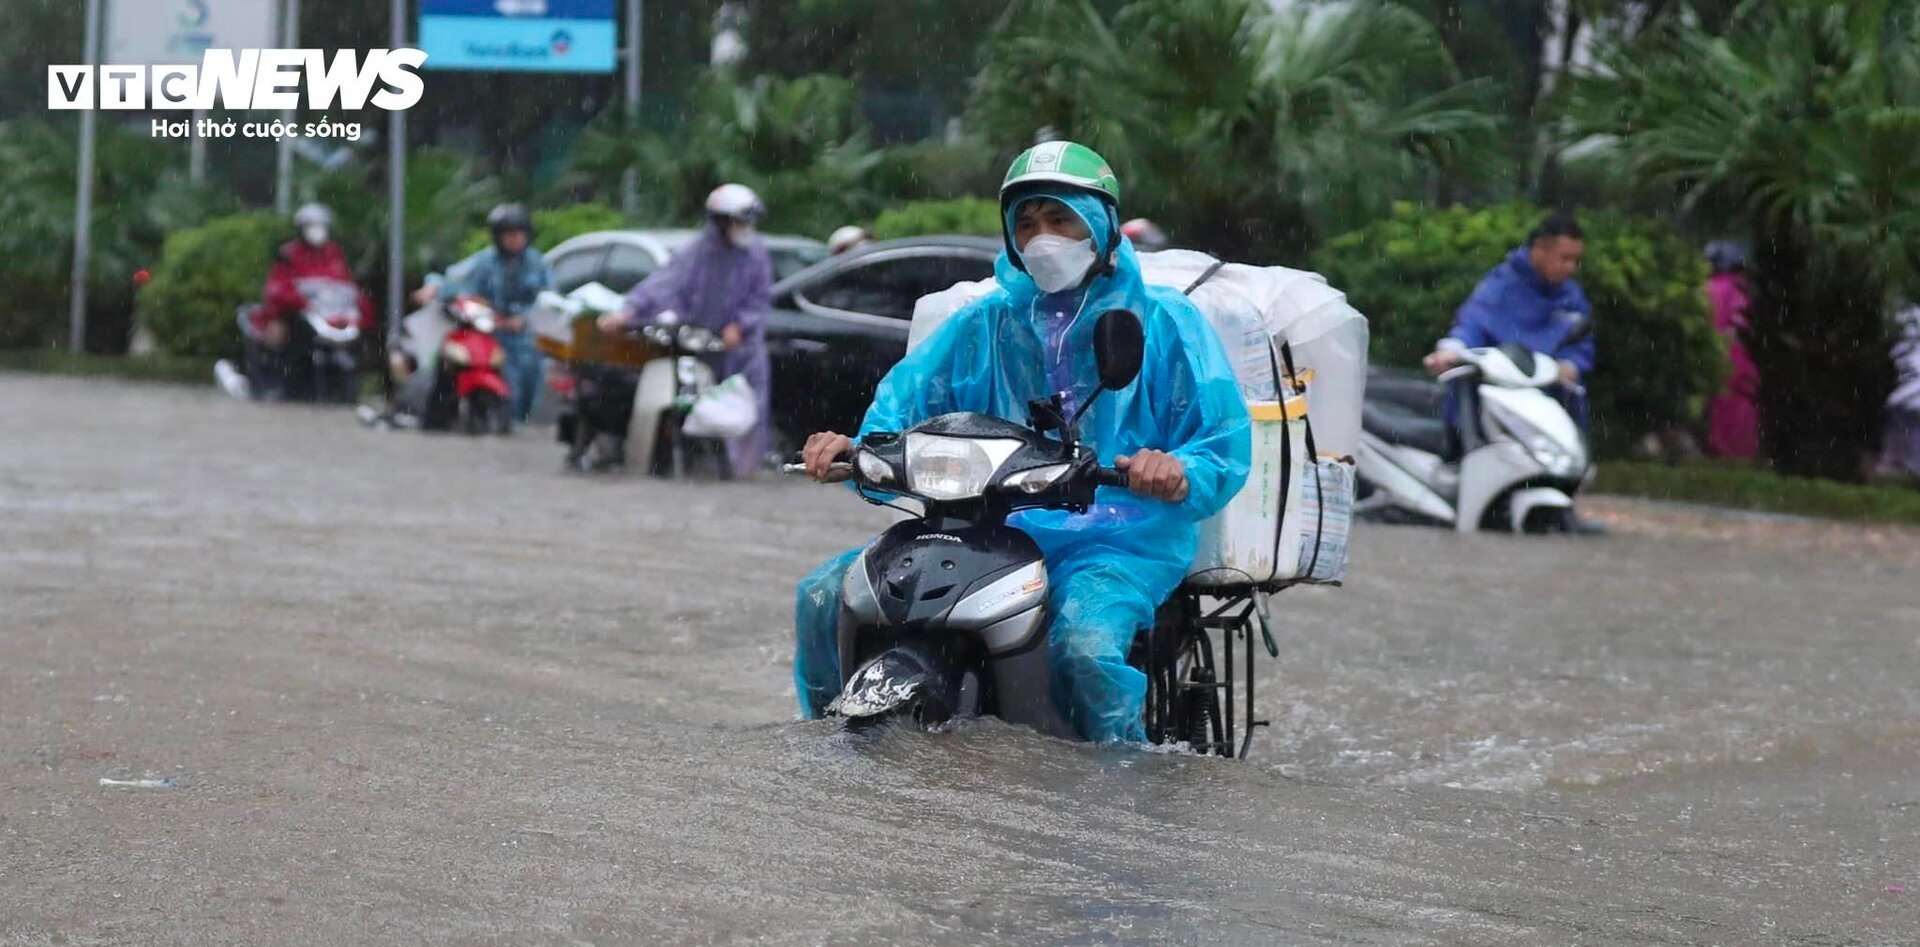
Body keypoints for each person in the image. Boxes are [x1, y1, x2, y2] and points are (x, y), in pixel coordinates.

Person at [791, 141, 1252, 743]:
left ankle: (1120, 783)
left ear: (1102, 226)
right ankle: (826, 747)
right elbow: (898, 419)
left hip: (1118, 539)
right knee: (826, 597)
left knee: (1084, 649)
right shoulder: (983, 323)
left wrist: (1172, 468)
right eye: (1027, 223)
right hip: (986, 530)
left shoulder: (1164, 322)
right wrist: (850, 452)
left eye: (1061, 218)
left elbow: (1221, 442)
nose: (1043, 239)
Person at [596, 183, 776, 480]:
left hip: (744, 350)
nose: (747, 228)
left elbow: (760, 297)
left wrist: (740, 325)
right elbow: (661, 286)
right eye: (741, 221)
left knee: (751, 411)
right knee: (699, 408)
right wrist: (628, 312)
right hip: (702, 347)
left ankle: (745, 472)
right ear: (721, 222)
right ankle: (701, 466)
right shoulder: (694, 253)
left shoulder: (756, 253)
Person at [1423, 212, 1595, 431]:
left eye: (1576, 260)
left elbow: (1580, 344)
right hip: (1496, 411)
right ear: (1540, 248)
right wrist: (1450, 351)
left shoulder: (1572, 296)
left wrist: (1570, 366)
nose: (1571, 267)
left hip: (1552, 414)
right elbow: (1471, 323)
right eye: (1565, 258)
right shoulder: (1501, 286)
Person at [216, 202, 375, 401]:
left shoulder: (333, 253)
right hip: (292, 315)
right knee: (279, 334)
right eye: (311, 227)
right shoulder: (289, 253)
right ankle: (272, 384)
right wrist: (299, 302)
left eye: (320, 227)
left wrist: (358, 309)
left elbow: (344, 285)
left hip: (328, 316)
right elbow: (276, 289)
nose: (316, 232)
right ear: (302, 229)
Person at [442, 204, 552, 424]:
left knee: (532, 391)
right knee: (510, 391)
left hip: (529, 340)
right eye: (509, 234)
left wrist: (524, 318)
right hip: (495, 337)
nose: (515, 239)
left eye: (520, 234)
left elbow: (548, 298)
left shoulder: (537, 263)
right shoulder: (484, 262)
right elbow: (453, 284)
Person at [1703, 241, 1760, 458]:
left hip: (1715, 363)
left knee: (1719, 413)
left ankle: (1720, 454)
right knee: (1742, 415)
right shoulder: (1742, 289)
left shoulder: (1707, 288)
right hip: (1743, 365)